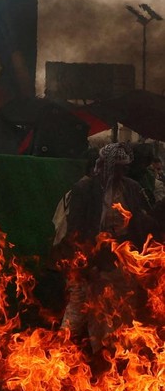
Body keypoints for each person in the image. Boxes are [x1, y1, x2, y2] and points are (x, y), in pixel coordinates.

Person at [55, 141, 151, 352]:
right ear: (108, 166)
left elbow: (139, 225)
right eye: (119, 167)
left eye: (126, 167)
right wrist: (85, 261)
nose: (124, 171)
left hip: (122, 258)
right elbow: (77, 228)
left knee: (119, 310)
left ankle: (111, 356)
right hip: (89, 256)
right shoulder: (86, 188)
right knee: (79, 307)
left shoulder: (132, 188)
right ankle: (60, 355)